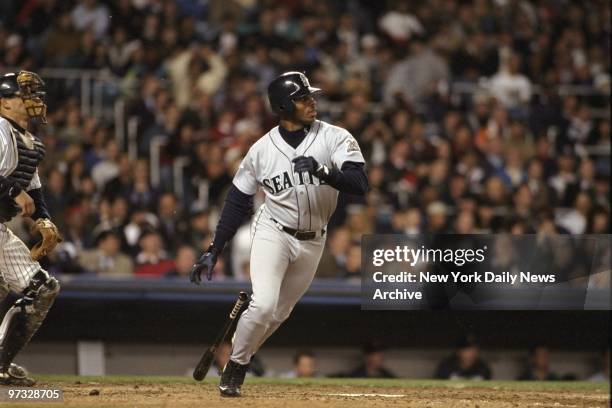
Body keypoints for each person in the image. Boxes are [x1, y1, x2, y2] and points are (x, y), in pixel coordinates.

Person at [189, 71, 368, 397]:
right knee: (263, 306)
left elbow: (359, 184)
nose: (312, 101)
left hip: (315, 238)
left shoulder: (335, 137)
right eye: (303, 98)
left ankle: (241, 351)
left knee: (280, 312)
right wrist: (215, 248)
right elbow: (236, 202)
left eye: (310, 96)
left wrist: (323, 170)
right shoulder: (261, 150)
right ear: (285, 106)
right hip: (274, 231)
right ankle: (236, 365)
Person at [0, 71, 62, 385]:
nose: (34, 100)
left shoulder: (29, 142)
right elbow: (17, 188)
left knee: (43, 288)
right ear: (4, 103)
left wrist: (45, 220)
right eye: (24, 94)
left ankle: (0, 365)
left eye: (35, 94)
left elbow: (34, 190)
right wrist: (12, 191)